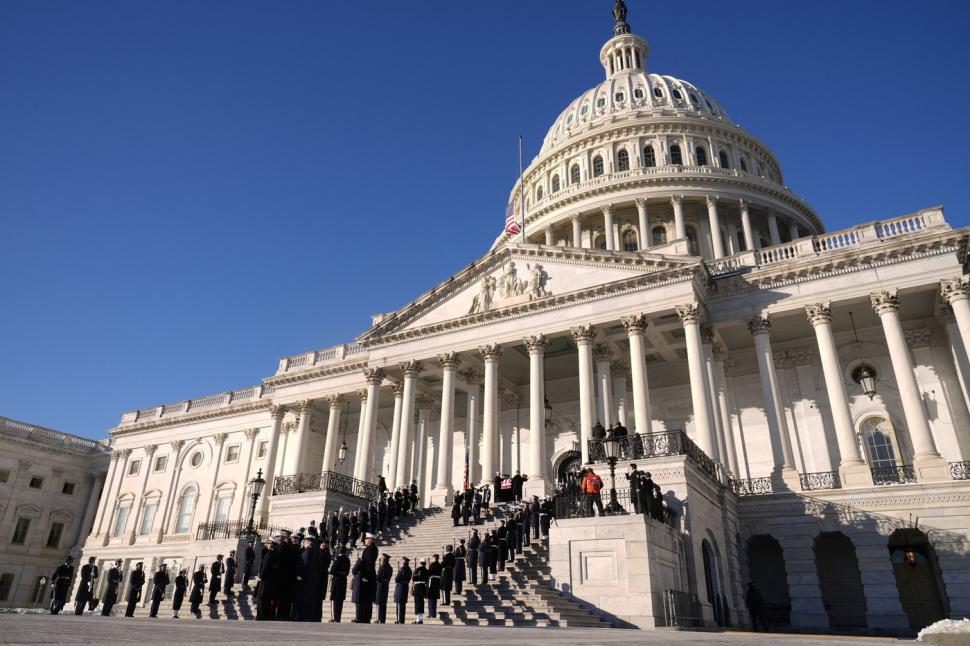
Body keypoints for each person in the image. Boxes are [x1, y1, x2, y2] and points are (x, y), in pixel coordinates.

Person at [256, 538, 279, 620]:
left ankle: (261, 616)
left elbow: (265, 566)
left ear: (272, 544)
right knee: (267, 599)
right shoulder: (275, 553)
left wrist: (261, 576)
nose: (267, 544)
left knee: (261, 598)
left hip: (265, 580)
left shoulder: (269, 554)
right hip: (270, 580)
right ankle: (265, 615)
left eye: (269, 542)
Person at [329, 545, 350, 622]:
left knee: (335, 600)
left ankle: (335, 618)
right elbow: (347, 572)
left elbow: (332, 571)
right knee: (340, 601)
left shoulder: (337, 558)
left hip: (336, 581)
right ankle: (338, 618)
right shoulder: (347, 559)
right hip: (343, 581)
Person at [313, 540, 332, 622]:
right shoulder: (319, 552)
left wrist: (322, 550)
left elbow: (323, 562)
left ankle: (316, 615)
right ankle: (316, 615)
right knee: (316, 599)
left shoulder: (325, 553)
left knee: (318, 599)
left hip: (320, 580)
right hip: (319, 579)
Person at [393, 556, 412, 624]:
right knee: (403, 604)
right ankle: (402, 619)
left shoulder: (402, 569)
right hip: (405, 587)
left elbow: (396, 579)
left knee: (399, 603)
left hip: (400, 587)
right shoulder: (410, 570)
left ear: (404, 562)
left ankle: (399, 619)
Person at [375, 553, 393, 624]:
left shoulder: (382, 567)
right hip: (386, 586)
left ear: (384, 560)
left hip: (380, 586)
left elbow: (378, 577)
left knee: (378, 603)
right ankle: (383, 619)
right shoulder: (390, 568)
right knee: (384, 603)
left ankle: (378, 618)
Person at [411, 558, 428, 624]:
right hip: (423, 587)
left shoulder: (418, 569)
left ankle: (418, 619)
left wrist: (414, 573)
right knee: (421, 603)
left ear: (420, 563)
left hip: (417, 587)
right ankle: (421, 619)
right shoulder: (426, 570)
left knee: (417, 603)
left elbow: (414, 578)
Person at [427, 554, 442, 618]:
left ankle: (431, 613)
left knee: (430, 599)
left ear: (434, 558)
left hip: (432, 582)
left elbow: (429, 573)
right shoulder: (439, 565)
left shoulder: (432, 565)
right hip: (437, 582)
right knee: (434, 599)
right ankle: (433, 613)